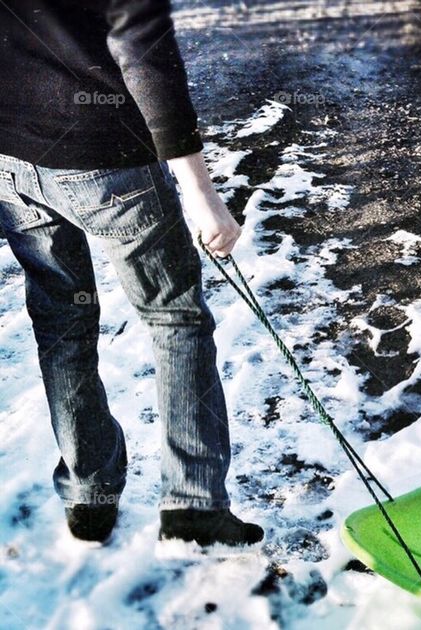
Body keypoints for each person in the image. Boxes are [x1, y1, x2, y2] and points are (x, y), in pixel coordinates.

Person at [0, 0, 262, 547]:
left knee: (61, 324)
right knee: (176, 319)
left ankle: (87, 494)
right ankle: (193, 507)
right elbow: (143, 50)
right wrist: (201, 193)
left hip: (9, 159)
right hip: (106, 159)